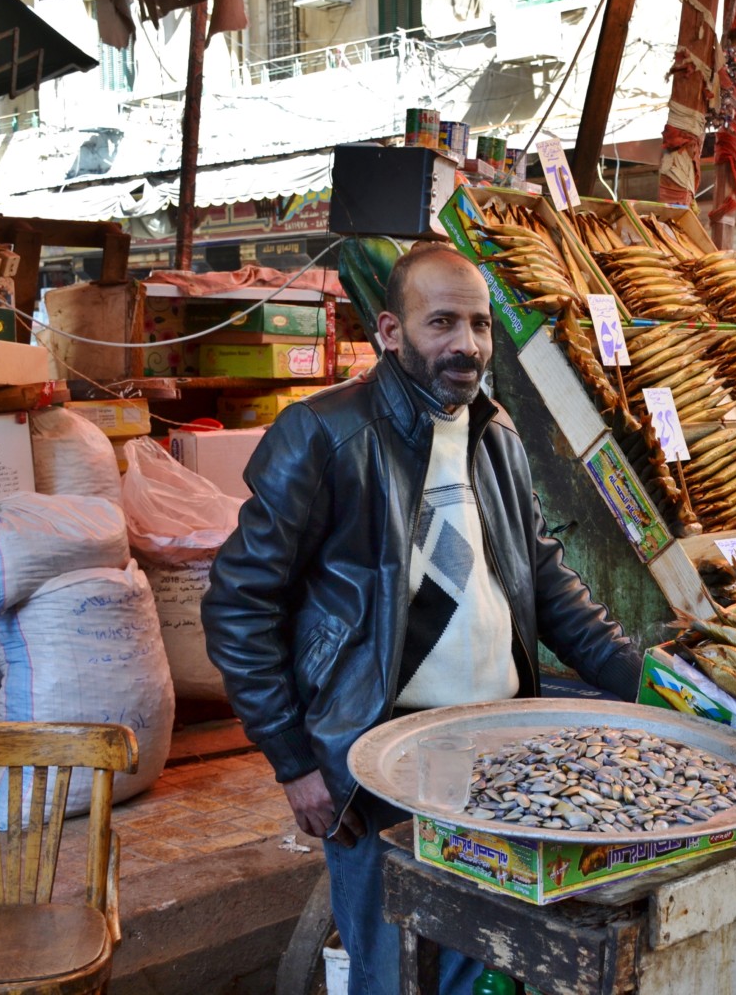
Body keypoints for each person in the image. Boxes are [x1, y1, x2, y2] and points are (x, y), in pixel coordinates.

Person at [201, 244, 642, 995]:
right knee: (392, 970)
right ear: (390, 331)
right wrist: (293, 761)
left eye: (478, 324)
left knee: (485, 965)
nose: (465, 345)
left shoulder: (495, 435)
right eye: (441, 322)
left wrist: (658, 686)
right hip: (379, 764)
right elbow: (239, 603)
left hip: (502, 758)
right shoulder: (323, 436)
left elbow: (550, 587)